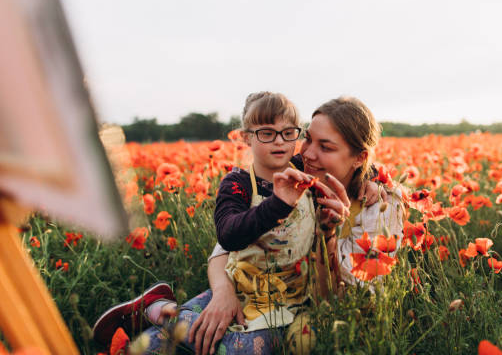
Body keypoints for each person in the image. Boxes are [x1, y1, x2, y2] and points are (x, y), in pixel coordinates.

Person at [92, 92, 351, 354]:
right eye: (266, 133)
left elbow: (355, 159)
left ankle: (165, 312)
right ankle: (157, 310)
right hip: (237, 289)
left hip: (287, 301)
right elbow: (229, 235)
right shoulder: (236, 183)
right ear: (246, 137)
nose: (279, 142)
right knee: (153, 347)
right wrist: (278, 204)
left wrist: (375, 183)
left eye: (288, 133)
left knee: (242, 349)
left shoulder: (303, 170)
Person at [197, 97, 406, 354]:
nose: (305, 153)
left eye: (325, 147)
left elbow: (350, 298)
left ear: (359, 158)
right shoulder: (299, 181)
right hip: (266, 298)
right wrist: (222, 291)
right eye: (307, 139)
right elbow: (227, 243)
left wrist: (329, 232)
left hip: (337, 318)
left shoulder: (381, 205)